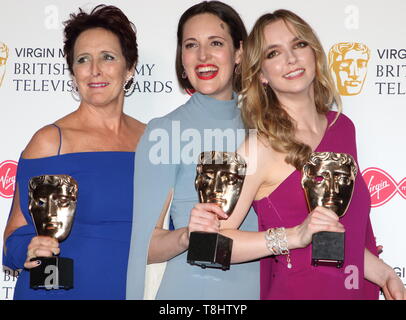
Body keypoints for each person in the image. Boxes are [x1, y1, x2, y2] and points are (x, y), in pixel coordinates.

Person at [189, 9, 406, 300]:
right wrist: (294, 236)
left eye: (299, 44)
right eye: (274, 53)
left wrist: (385, 274)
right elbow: (213, 244)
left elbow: (340, 236)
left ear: (314, 52)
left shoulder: (342, 127)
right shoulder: (260, 148)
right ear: (261, 74)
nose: (291, 59)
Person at [2, 5, 145, 299]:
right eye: (83, 60)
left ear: (129, 67)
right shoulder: (50, 141)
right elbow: (13, 237)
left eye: (108, 57)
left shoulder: (152, 139)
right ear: (73, 71)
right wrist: (29, 248)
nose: (95, 70)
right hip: (57, 293)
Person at [126, 1, 259, 299]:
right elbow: (144, 249)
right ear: (182, 58)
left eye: (216, 42)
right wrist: (187, 235)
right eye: (191, 45)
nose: (203, 56)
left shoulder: (267, 128)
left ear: (239, 52)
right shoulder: (164, 131)